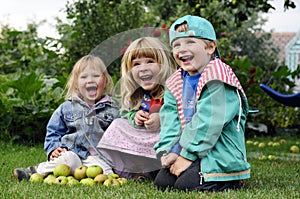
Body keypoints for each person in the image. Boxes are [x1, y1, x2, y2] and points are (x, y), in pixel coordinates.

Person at [153, 15, 251, 192]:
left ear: (210, 47)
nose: (182, 49)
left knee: (186, 185)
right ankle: (190, 163)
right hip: (192, 149)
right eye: (176, 45)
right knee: (163, 183)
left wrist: (187, 156)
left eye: (190, 42)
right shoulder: (176, 82)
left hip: (219, 152)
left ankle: (233, 179)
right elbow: (170, 120)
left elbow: (209, 121)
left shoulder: (218, 78)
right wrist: (171, 150)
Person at [13, 55, 119, 181]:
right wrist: (54, 148)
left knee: (106, 173)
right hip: (73, 152)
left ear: (105, 81)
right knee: (67, 160)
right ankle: (36, 171)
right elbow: (54, 131)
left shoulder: (112, 109)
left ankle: (73, 175)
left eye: (96, 76)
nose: (90, 80)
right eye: (84, 77)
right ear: (76, 83)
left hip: (97, 157)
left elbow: (118, 136)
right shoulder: (67, 107)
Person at [97, 37, 177, 180]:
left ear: (164, 64)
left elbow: (182, 115)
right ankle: (130, 169)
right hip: (143, 138)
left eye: (150, 61)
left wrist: (161, 118)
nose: (143, 68)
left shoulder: (174, 89)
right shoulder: (135, 94)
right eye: (136, 64)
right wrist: (135, 116)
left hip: (164, 138)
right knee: (117, 124)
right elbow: (125, 113)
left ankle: (157, 168)